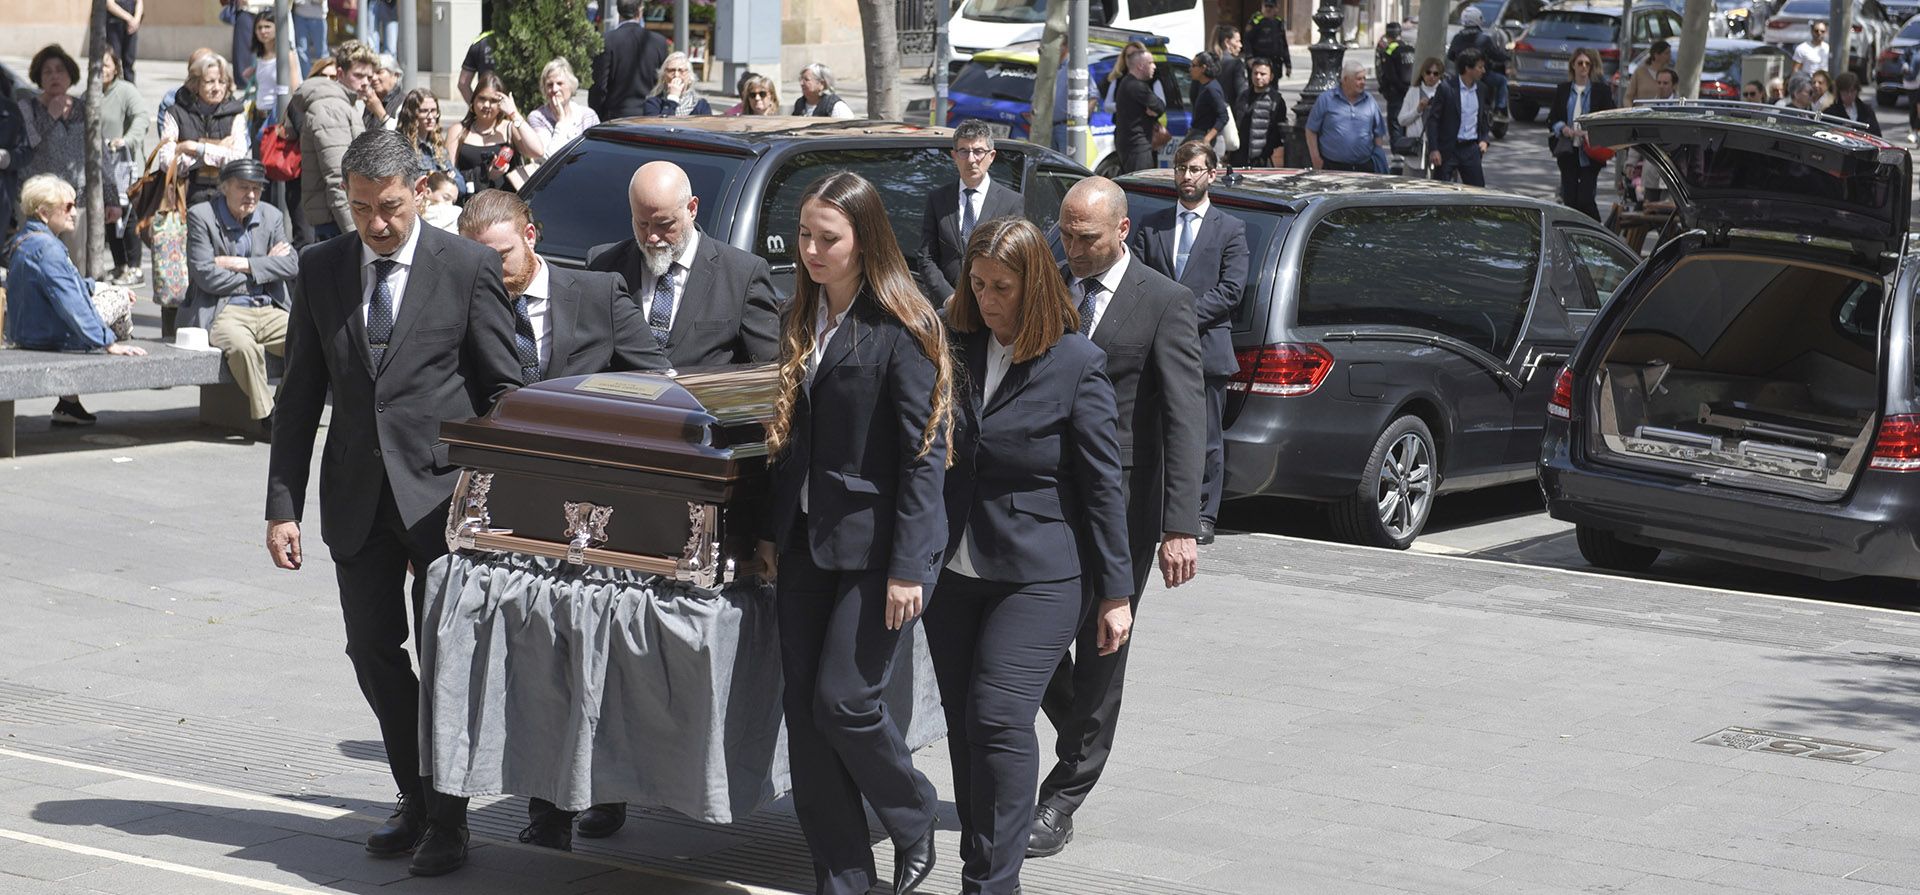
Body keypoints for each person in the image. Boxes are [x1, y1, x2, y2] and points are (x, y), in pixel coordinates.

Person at [265, 128, 524, 879]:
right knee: (372, 651)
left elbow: (503, 390)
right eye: (360, 210)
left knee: (446, 659)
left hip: (444, 498)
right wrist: (282, 503)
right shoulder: (321, 268)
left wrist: (489, 490)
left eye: (388, 208)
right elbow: (298, 395)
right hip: (357, 496)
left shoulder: (468, 267)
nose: (376, 225)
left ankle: (448, 818)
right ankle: (414, 793)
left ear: (419, 190)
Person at [756, 171, 952, 895]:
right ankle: (843, 877)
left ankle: (912, 809)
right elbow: (794, 439)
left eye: (826, 238)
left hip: (876, 551)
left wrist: (910, 565)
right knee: (805, 721)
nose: (810, 249)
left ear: (863, 241)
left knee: (844, 700)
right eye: (804, 235)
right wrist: (775, 529)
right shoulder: (801, 317)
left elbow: (923, 455)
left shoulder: (902, 329)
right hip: (808, 540)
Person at [927, 215, 1132, 895]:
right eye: (978, 284)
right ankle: (979, 867)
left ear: (1034, 285)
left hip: (1041, 575)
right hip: (953, 573)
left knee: (998, 716)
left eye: (1002, 287)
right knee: (964, 728)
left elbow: (1104, 486)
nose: (988, 299)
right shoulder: (952, 345)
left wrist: (1115, 592)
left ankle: (997, 880)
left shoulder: (1076, 363)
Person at [1030, 177, 1201, 859]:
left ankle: (1064, 793)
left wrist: (1179, 523)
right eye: (1065, 232)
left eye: (1086, 237)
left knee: (1103, 647)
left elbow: (1188, 416)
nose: (1071, 247)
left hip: (1121, 507)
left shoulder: (1164, 302)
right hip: (1042, 497)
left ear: (1122, 230)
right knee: (1031, 641)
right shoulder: (1048, 282)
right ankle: (1084, 735)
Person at [1126, 142, 1247, 547]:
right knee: (1154, 431)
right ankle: (1158, 508)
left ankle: (1202, 514)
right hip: (1154, 350)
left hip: (1205, 349)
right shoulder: (1152, 224)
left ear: (1212, 174)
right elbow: (1137, 278)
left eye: (1195, 169)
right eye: (1181, 168)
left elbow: (1231, 291)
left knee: (1206, 435)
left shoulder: (1230, 228)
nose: (1187, 176)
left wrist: (1177, 319)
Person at [587, 160, 780, 368]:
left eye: (664, 224)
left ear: (692, 208)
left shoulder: (742, 275)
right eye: (642, 223)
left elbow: (768, 368)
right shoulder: (605, 265)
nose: (651, 237)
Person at [2, 175, 145, 428]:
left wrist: (96, 286)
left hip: (26, 330)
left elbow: (69, 285)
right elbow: (73, 305)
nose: (74, 212)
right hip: (48, 335)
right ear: (44, 213)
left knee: (107, 292)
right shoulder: (48, 249)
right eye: (67, 207)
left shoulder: (25, 239)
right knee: (120, 299)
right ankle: (126, 339)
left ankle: (69, 404)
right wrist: (108, 342)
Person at [187, 160, 298, 434]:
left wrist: (245, 265)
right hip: (224, 310)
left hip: (269, 306)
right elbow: (205, 274)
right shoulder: (201, 216)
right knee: (243, 348)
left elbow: (292, 264)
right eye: (243, 187)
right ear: (225, 188)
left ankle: (286, 405)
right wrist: (264, 269)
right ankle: (269, 417)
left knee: (307, 338)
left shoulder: (270, 216)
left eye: (257, 189)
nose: (251, 195)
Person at [916, 120, 1025, 305]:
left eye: (978, 151)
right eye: (964, 151)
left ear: (991, 156)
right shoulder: (938, 199)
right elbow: (926, 257)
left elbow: (1015, 260)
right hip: (947, 307)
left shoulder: (1011, 202)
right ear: (954, 155)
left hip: (991, 306)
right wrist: (948, 298)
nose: (971, 159)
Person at [290, 40, 373, 239]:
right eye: (358, 75)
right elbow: (339, 180)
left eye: (369, 77)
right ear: (340, 74)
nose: (365, 82)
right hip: (337, 223)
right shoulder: (331, 108)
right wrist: (356, 234)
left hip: (340, 219)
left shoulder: (342, 105)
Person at [18, 45, 89, 260]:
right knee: (37, 257)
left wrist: (112, 197)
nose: (54, 76)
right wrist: (51, 116)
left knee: (76, 259)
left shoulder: (83, 108)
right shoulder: (27, 107)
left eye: (60, 70)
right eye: (47, 71)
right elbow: (28, 143)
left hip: (76, 198)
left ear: (70, 75)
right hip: (39, 200)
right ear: (39, 77)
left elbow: (98, 151)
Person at [159, 53, 249, 208]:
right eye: (210, 82)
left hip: (227, 199)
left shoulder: (236, 114)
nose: (217, 88)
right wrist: (220, 148)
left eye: (222, 82)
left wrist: (195, 148)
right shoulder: (175, 113)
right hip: (186, 198)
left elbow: (237, 158)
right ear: (195, 84)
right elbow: (166, 161)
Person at [97, 47, 149, 287]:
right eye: (97, 65)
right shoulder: (93, 92)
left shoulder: (126, 91)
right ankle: (120, 265)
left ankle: (135, 267)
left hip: (125, 165)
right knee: (109, 214)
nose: (102, 70)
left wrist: (126, 140)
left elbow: (141, 118)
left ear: (116, 67)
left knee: (128, 217)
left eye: (106, 65)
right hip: (102, 166)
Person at [449, 71, 546, 194]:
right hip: (469, 203)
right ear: (473, 100)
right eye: (482, 98)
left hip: (506, 204)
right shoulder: (458, 130)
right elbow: (449, 174)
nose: (487, 105)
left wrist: (513, 113)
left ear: (501, 103)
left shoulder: (509, 129)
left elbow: (537, 151)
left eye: (493, 100)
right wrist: (485, 174)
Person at [1549, 48, 1614, 221]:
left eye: (1587, 64)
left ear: (1592, 67)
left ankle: (1598, 230)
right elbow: (1552, 118)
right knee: (1570, 198)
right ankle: (1574, 232)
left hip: (1591, 152)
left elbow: (1609, 118)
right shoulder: (1563, 89)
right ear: (1573, 66)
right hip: (1568, 151)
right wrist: (1563, 128)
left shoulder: (1601, 91)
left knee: (1585, 198)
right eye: (1580, 63)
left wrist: (1590, 132)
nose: (1583, 67)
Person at [589, 0, 672, 120]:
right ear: (640, 11)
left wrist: (598, 115)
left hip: (615, 116)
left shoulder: (607, 41)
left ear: (618, 12)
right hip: (651, 115)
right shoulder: (659, 42)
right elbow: (664, 82)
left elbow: (599, 86)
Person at [1305, 60, 1387, 172]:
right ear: (1345, 80)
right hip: (1333, 168)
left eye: (1364, 78)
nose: (1363, 82)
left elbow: (1378, 133)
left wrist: (1378, 158)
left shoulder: (1370, 101)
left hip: (1363, 167)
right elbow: (1311, 130)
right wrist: (1316, 159)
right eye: (1358, 79)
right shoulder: (1326, 99)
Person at [527, 57, 601, 151]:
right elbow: (548, 157)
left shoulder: (588, 116)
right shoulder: (537, 118)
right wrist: (561, 122)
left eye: (560, 83)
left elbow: (598, 150)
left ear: (571, 86)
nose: (554, 89)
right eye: (550, 85)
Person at [1447, 7, 1509, 119]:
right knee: (1502, 81)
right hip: (1483, 77)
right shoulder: (1484, 39)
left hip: (1462, 77)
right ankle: (1500, 110)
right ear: (1478, 20)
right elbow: (1496, 55)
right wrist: (1506, 57)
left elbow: (1450, 56)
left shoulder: (1457, 38)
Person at [1112, 46, 1165, 175]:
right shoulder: (1137, 86)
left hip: (1129, 144)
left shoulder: (1126, 82)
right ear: (1140, 66)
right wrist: (1154, 110)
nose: (1154, 67)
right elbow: (1160, 106)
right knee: (1142, 185)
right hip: (1137, 146)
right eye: (1150, 63)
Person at [394, 88, 460, 190]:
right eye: (424, 111)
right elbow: (405, 187)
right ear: (412, 114)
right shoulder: (401, 147)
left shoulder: (437, 145)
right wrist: (444, 180)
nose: (430, 117)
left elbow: (461, 184)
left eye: (433, 111)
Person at [245, 14, 300, 130]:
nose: (263, 31)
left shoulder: (287, 55)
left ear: (277, 28)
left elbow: (295, 88)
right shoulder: (259, 57)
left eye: (267, 26)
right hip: (258, 116)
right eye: (259, 27)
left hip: (276, 118)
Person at [1234, 56, 1287, 167]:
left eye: (1263, 74)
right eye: (1255, 73)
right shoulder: (1243, 96)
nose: (1258, 77)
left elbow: (1279, 132)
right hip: (1239, 157)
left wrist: (1268, 153)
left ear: (1271, 76)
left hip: (1262, 160)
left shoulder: (1276, 101)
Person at [1397, 57, 1444, 176]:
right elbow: (1401, 120)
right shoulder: (1413, 92)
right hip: (1417, 148)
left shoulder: (1444, 91)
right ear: (1423, 73)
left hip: (1438, 147)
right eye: (1428, 72)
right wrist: (1418, 110)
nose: (1431, 76)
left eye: (1435, 73)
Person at [640, 52, 712, 117]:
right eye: (671, 70)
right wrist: (672, 99)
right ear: (664, 77)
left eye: (681, 71)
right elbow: (660, 129)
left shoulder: (701, 105)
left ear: (690, 78)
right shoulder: (653, 103)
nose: (676, 75)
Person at [1376, 22, 1416, 134]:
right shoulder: (1410, 49)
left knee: (1396, 126)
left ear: (1387, 36)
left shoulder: (1388, 51)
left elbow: (1389, 75)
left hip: (1396, 95)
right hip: (1410, 93)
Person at [1186, 52, 1230, 153]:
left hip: (1206, 139)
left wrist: (1207, 139)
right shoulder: (1202, 85)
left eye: (1193, 66)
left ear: (1203, 68)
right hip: (1196, 134)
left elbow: (1223, 116)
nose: (1190, 69)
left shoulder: (1212, 89)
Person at [1825, 70, 1883, 135]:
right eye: (1846, 91)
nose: (1849, 95)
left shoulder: (1866, 111)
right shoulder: (1830, 112)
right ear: (1839, 92)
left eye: (1852, 91)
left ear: (1857, 91)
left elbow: (1876, 135)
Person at [1208, 25, 1248, 118]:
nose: (1240, 45)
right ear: (1227, 42)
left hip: (1208, 115)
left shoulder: (1207, 61)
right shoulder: (1236, 64)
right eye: (1237, 41)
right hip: (1229, 116)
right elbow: (1242, 94)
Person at [793, 63, 858, 118]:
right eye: (801, 79)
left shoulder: (835, 106)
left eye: (806, 80)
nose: (801, 83)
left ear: (822, 84)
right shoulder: (800, 104)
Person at [1246, 0, 1291, 77]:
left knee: (1273, 87)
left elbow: (1283, 45)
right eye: (1266, 6)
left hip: (1274, 63)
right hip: (1258, 61)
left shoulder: (1278, 23)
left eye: (1271, 7)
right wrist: (1249, 57)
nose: (1268, 9)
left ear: (1276, 9)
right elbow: (1247, 41)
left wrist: (1288, 65)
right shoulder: (1256, 21)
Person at [103, 0, 144, 83]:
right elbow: (109, 4)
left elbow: (139, 2)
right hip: (114, 24)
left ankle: (130, 90)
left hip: (131, 26)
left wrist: (136, 20)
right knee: (114, 60)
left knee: (129, 61)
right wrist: (129, 18)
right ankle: (113, 88)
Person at [363, 54, 404, 131]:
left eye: (379, 72)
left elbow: (403, 136)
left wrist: (381, 113)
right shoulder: (370, 101)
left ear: (395, 75)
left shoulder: (403, 102)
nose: (374, 78)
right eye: (371, 73)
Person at [1623, 40, 1670, 106]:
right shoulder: (1640, 72)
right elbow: (1628, 97)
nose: (1669, 56)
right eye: (1666, 53)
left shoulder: (1669, 74)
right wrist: (1630, 111)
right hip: (1641, 113)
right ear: (1656, 55)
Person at [457, 30, 494, 104]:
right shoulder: (517, 37)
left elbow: (463, 83)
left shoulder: (479, 43)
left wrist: (475, 108)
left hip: (485, 103)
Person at [292, 0, 328, 73]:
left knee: (321, 51)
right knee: (301, 50)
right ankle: (307, 77)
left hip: (318, 17)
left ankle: (324, 76)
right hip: (300, 15)